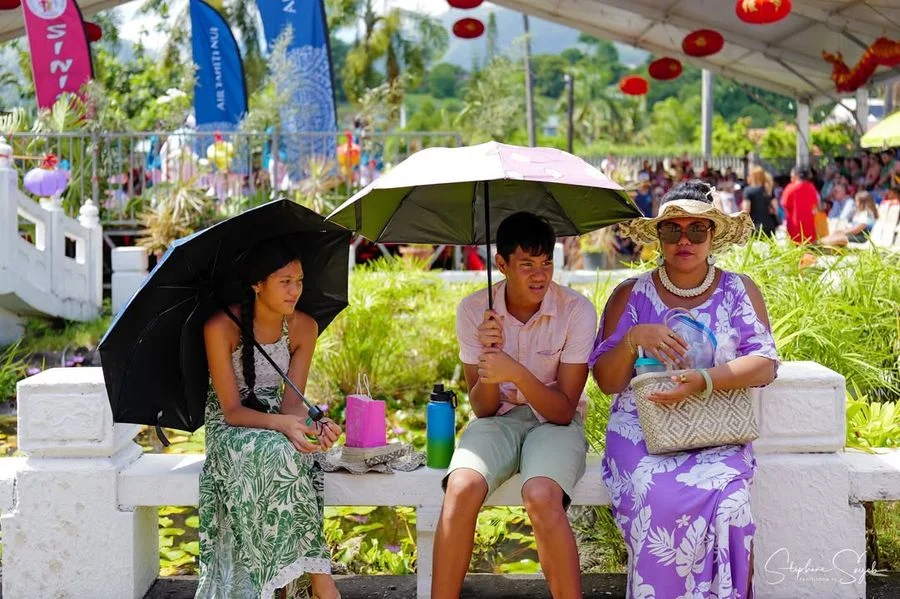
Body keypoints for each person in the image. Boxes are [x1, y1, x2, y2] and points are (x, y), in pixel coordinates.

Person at [591, 180, 778, 599]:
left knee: (731, 506)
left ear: (713, 235)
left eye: (697, 230)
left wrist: (704, 381)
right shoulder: (630, 295)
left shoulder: (738, 290)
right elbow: (606, 382)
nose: (685, 240)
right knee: (656, 496)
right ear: (658, 236)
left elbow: (765, 363)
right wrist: (633, 337)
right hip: (642, 433)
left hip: (716, 435)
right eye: (673, 230)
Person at [432, 212, 598, 599]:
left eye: (546, 264)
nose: (540, 275)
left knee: (540, 495)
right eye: (526, 265)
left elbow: (563, 409)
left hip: (554, 424)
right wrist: (489, 356)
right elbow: (483, 410)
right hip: (499, 420)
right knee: (461, 487)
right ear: (501, 264)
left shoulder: (576, 311)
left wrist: (517, 372)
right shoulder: (475, 311)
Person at [197, 237, 343, 599]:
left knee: (301, 453)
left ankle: (289, 584)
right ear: (257, 284)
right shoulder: (220, 327)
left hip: (276, 419)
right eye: (284, 282)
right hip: (231, 428)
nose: (295, 291)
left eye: (300, 281)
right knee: (279, 452)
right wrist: (285, 427)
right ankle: (320, 584)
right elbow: (231, 412)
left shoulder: (304, 327)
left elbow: (290, 405)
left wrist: (313, 427)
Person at [781, 167, 819, 244]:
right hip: (810, 230)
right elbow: (815, 206)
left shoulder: (790, 188)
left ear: (796, 176)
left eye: (791, 177)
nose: (791, 179)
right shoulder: (812, 188)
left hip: (794, 230)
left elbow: (784, 204)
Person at [742, 166, 778, 236]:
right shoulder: (768, 190)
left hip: (755, 226)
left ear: (752, 176)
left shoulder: (748, 191)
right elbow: (775, 208)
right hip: (769, 225)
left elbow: (746, 210)